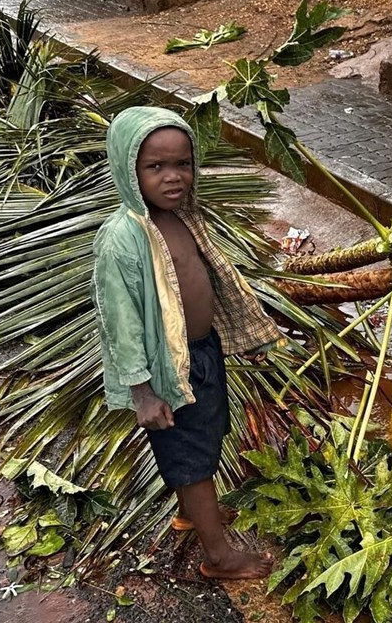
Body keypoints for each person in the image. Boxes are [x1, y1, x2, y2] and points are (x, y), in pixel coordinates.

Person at [92, 106, 284, 580]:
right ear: (127, 169)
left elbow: (214, 279)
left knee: (206, 438)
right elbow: (121, 324)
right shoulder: (122, 239)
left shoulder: (182, 216)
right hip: (164, 372)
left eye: (182, 164)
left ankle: (192, 514)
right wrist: (143, 391)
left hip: (201, 353)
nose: (173, 177)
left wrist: (246, 334)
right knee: (191, 456)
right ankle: (218, 557)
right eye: (155, 167)